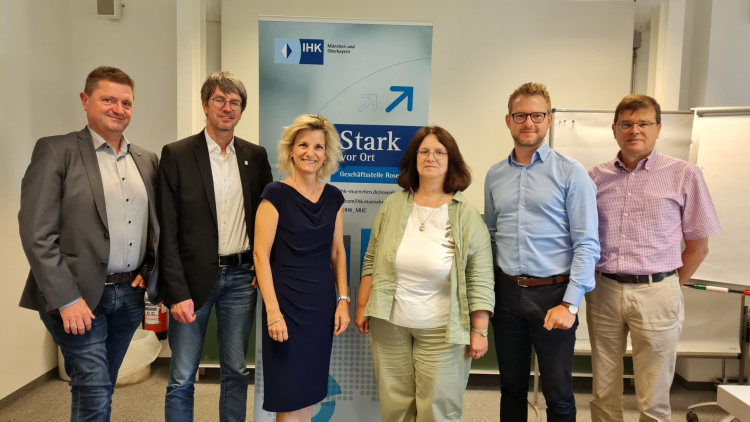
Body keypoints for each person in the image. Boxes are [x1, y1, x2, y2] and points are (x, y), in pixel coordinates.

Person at [18, 66, 159, 421]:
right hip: (77, 297)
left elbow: (154, 227)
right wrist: (67, 300)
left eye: (126, 102)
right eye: (107, 99)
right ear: (85, 100)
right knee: (95, 387)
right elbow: (37, 233)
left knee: (100, 384)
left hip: (127, 296)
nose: (118, 108)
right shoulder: (56, 150)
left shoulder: (147, 160)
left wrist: (148, 268)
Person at [587, 94, 722, 422]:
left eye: (644, 123)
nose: (635, 130)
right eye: (627, 124)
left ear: (658, 128)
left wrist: (670, 287)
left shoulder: (684, 174)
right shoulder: (594, 178)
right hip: (603, 290)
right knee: (604, 391)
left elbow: (698, 247)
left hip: (658, 291)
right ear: (615, 130)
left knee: (654, 395)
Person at [355, 126, 495, 422]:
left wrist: (479, 330)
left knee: (438, 411)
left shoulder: (465, 213)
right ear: (413, 158)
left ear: (450, 160)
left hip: (443, 330)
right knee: (395, 409)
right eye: (424, 151)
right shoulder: (393, 205)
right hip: (389, 325)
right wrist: (362, 306)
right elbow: (371, 259)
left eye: (439, 152)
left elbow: (480, 277)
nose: (431, 157)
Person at [158, 71, 272, 422]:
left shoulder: (255, 156)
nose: (227, 108)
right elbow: (167, 228)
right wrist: (174, 291)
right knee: (181, 376)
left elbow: (267, 219)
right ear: (205, 105)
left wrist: (261, 263)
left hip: (241, 279)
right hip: (191, 282)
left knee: (236, 370)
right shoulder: (177, 154)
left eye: (235, 102)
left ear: (241, 111)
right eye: (220, 100)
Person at [484, 82, 600, 421]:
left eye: (537, 115)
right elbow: (491, 236)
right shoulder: (495, 175)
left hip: (555, 295)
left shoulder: (571, 172)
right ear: (508, 120)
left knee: (558, 394)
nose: (528, 123)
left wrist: (570, 302)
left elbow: (587, 244)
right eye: (521, 115)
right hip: (507, 293)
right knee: (511, 389)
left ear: (549, 120)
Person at [253, 114, 349, 422]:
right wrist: (272, 312)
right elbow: (260, 256)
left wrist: (343, 300)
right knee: (288, 395)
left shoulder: (334, 197)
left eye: (318, 146)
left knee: (308, 391)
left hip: (320, 305)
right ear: (291, 150)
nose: (311, 152)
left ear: (326, 153)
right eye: (303, 144)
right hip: (284, 305)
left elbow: (337, 252)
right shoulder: (275, 194)